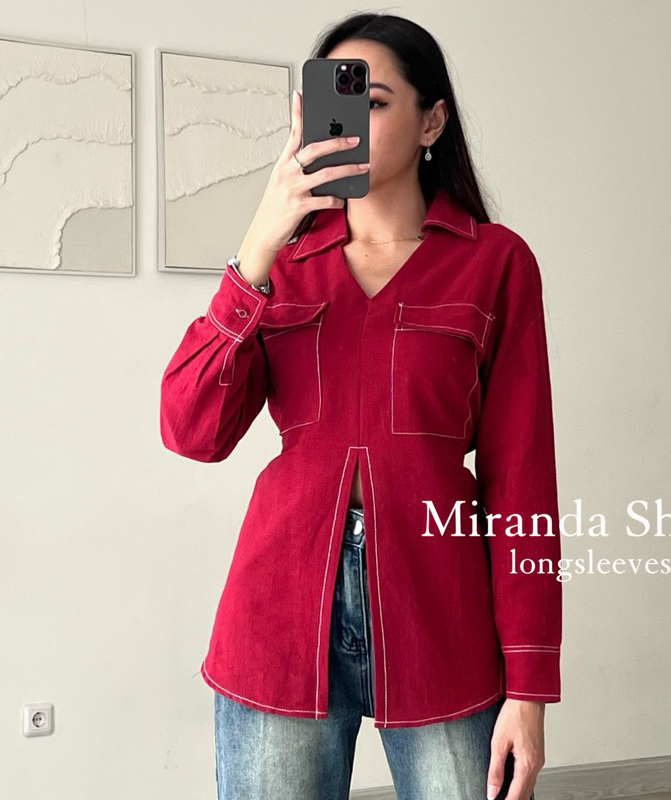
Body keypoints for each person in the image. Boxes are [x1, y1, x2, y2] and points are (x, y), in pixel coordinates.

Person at [160, 12, 561, 800]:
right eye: (331, 104)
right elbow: (191, 430)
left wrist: (530, 687)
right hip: (278, 619)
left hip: (442, 613)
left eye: (373, 102)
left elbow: (523, 483)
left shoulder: (495, 263)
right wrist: (257, 246)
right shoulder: (282, 266)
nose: (347, 123)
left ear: (432, 122)